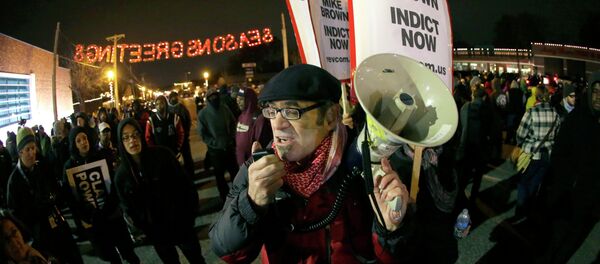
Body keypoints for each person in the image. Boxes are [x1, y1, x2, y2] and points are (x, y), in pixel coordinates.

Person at [209, 64, 411, 263]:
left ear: (331, 116)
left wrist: (390, 231)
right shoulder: (258, 168)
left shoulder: (365, 162)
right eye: (271, 111)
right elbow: (228, 252)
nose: (277, 124)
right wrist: (251, 203)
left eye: (291, 111)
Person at [114, 118, 205, 264]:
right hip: (157, 233)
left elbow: (186, 185)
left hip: (181, 223)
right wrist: (145, 228)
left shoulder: (163, 155)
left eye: (135, 134)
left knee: (196, 259)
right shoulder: (122, 175)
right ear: (120, 142)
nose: (132, 140)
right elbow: (128, 207)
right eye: (126, 137)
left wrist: (190, 215)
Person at [538, 73, 600, 263]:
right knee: (553, 242)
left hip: (589, 201)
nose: (598, 97)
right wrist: (566, 183)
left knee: (571, 242)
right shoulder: (577, 119)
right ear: (589, 92)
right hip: (567, 196)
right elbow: (559, 154)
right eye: (595, 91)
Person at [63, 127, 140, 264]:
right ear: (74, 144)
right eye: (78, 140)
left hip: (112, 214)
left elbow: (114, 182)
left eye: (84, 138)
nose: (83, 142)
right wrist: (86, 215)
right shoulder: (69, 166)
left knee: (128, 251)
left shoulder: (101, 155)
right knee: (110, 256)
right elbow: (71, 198)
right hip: (94, 221)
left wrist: (111, 205)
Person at [6, 127, 83, 264]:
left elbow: (56, 189)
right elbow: (15, 214)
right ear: (20, 152)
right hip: (41, 236)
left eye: (33, 148)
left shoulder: (42, 167)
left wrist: (55, 198)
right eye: (28, 149)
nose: (32, 153)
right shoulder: (14, 182)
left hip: (58, 224)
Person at [513, 84, 560, 222]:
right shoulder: (555, 113)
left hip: (531, 153)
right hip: (547, 155)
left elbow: (520, 133)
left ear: (536, 96)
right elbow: (556, 134)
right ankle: (530, 209)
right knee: (535, 183)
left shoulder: (531, 112)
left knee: (523, 181)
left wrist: (519, 142)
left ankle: (521, 209)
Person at [197, 88, 238, 201]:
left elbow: (233, 122)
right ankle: (224, 198)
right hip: (215, 151)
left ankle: (237, 195)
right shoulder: (203, 114)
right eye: (212, 97)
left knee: (235, 173)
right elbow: (202, 133)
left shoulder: (224, 109)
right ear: (208, 99)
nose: (214, 99)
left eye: (216, 96)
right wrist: (213, 143)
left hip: (228, 147)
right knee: (220, 177)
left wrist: (231, 137)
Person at [235, 87, 272, 167]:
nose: (238, 102)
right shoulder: (241, 116)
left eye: (241, 99)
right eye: (237, 99)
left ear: (249, 100)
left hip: (253, 164)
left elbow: (262, 144)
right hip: (242, 164)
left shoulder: (259, 118)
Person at [168, 92, 195, 178]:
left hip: (184, 137)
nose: (174, 99)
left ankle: (191, 174)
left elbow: (188, 121)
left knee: (187, 157)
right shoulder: (168, 109)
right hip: (173, 139)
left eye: (175, 97)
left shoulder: (182, 108)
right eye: (172, 97)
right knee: (175, 158)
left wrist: (186, 133)